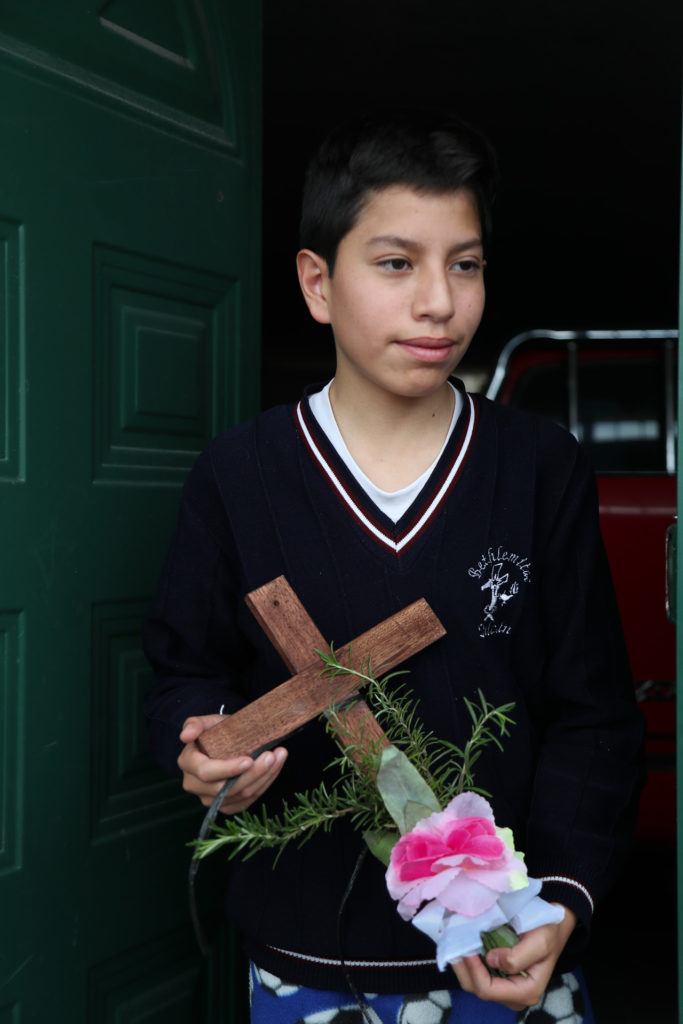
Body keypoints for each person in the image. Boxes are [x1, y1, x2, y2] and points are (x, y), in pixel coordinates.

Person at [143, 110, 644, 1024]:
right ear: (316, 282)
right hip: (306, 955)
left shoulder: (539, 466)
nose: (438, 303)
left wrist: (564, 902)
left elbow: (593, 715)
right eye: (394, 263)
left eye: (466, 263)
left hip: (511, 947)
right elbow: (184, 666)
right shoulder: (241, 474)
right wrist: (201, 744)